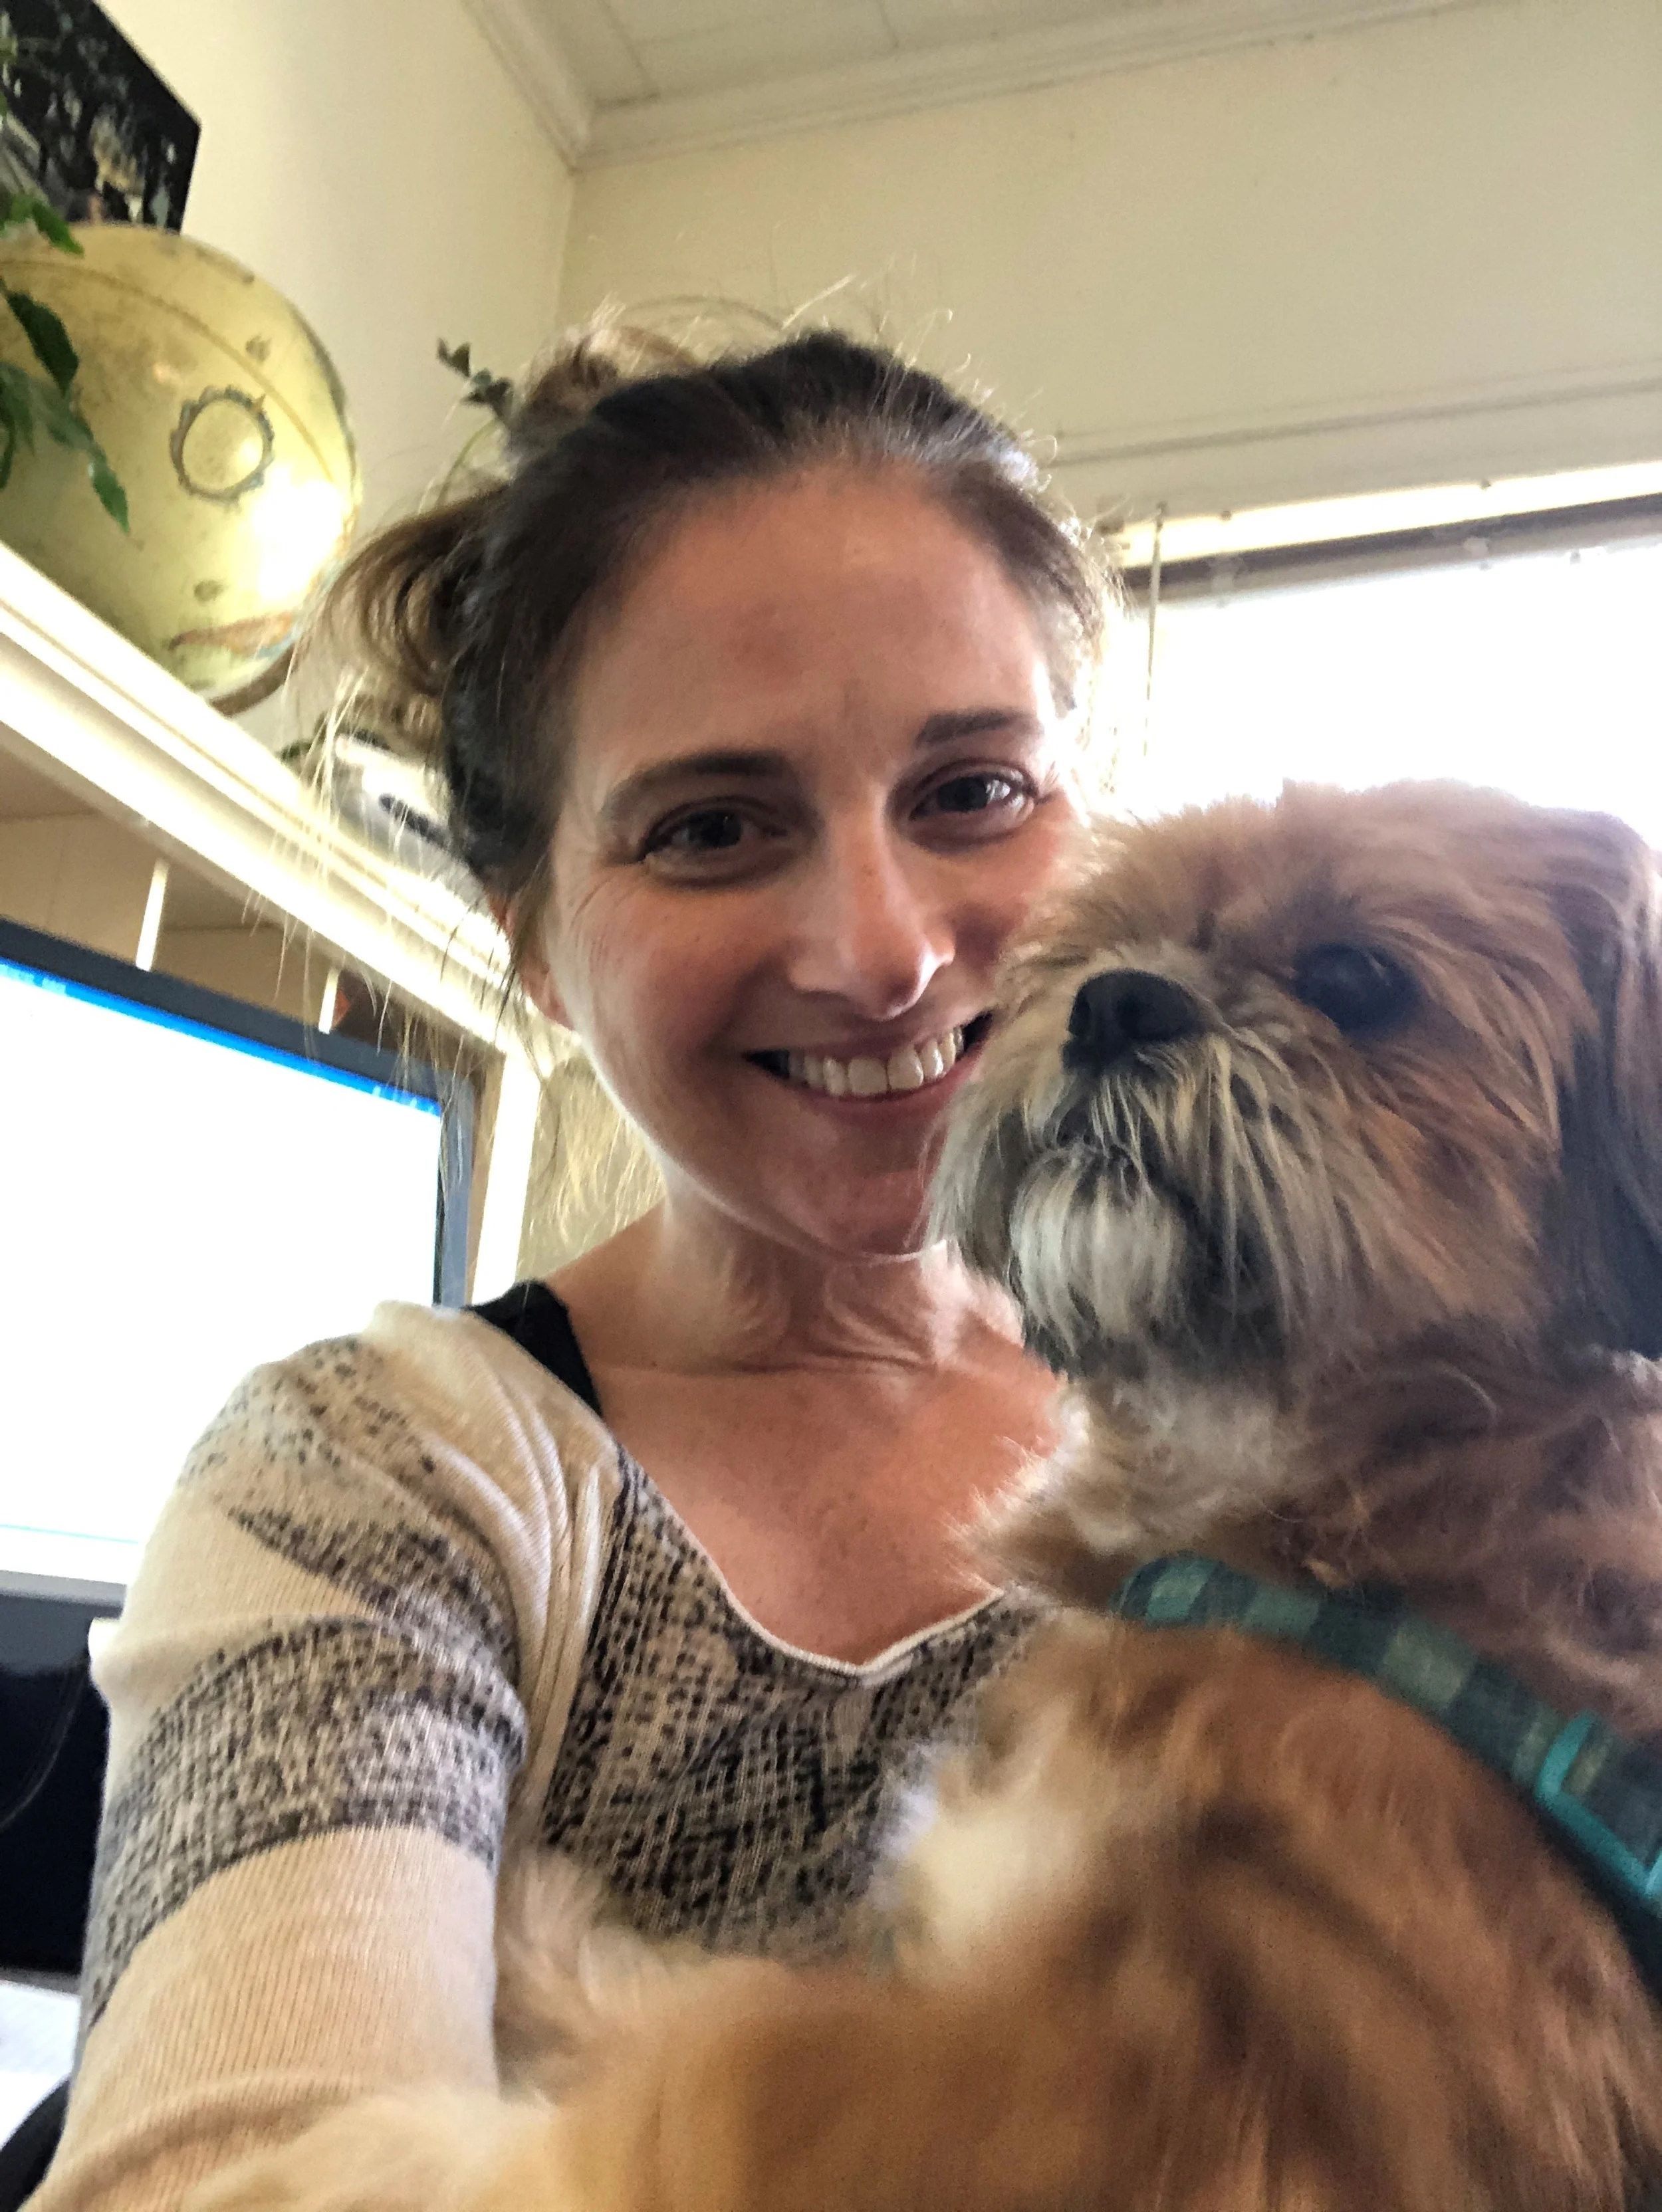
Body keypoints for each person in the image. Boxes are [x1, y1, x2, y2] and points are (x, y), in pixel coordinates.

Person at [29, 325, 1110, 2212]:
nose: (880, 952)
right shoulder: (373, 1476)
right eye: (710, 828)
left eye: (969, 793)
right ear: (533, 946)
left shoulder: (1292, 1448)